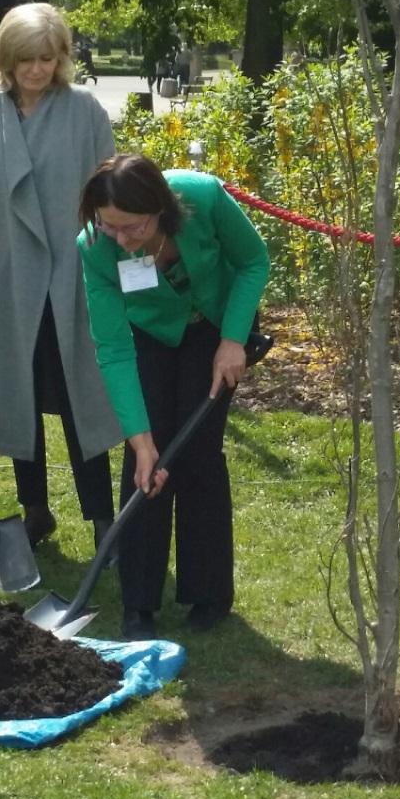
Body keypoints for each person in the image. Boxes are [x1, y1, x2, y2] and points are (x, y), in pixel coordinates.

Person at [0, 2, 121, 552]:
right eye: (26, 60)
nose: (37, 70)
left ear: (62, 58)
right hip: (2, 279)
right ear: (6, 60)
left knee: (78, 399)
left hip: (71, 278)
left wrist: (121, 269)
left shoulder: (85, 111)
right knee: (15, 397)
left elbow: (109, 194)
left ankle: (103, 520)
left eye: (47, 58)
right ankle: (34, 511)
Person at [77, 154, 270, 640]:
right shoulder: (96, 248)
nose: (122, 239)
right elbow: (114, 348)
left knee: (199, 451)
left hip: (215, 325)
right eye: (109, 226)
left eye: (132, 226)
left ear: (159, 207)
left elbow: (253, 261)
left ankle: (208, 594)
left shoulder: (203, 197)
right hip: (150, 333)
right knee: (148, 458)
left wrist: (233, 339)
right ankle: (138, 602)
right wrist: (140, 439)